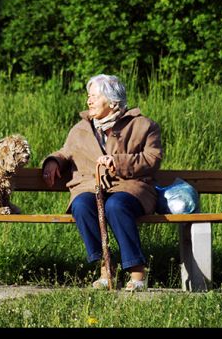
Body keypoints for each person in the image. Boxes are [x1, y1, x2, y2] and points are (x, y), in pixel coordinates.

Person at [41, 74, 163, 291]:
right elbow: (66, 151)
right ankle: (106, 269)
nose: (89, 101)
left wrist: (118, 161)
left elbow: (152, 159)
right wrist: (53, 161)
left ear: (112, 101)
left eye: (94, 97)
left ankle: (137, 273)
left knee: (116, 206)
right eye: (89, 96)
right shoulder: (81, 128)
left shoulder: (143, 125)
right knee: (80, 205)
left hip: (130, 187)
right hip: (92, 186)